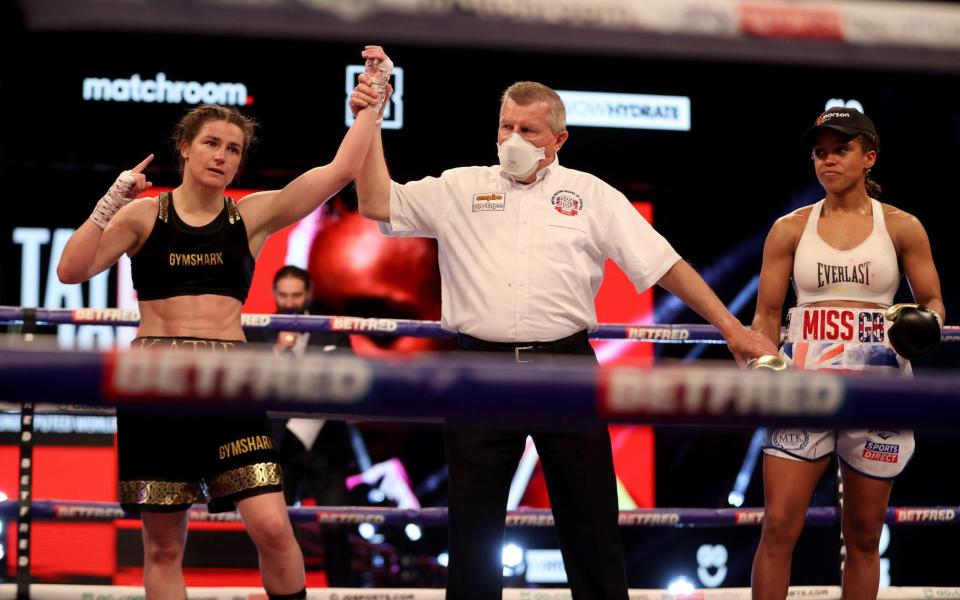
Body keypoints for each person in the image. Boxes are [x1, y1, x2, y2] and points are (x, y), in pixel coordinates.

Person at [350, 72, 778, 600]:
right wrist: (369, 117)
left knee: (592, 527)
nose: (512, 139)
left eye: (529, 130)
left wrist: (732, 330)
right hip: (479, 372)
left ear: (558, 140)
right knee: (474, 533)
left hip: (566, 369)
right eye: (505, 126)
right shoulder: (460, 187)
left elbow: (667, 265)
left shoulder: (591, 195)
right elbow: (374, 202)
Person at [57, 45, 393, 600]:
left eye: (233, 149)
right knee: (164, 547)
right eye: (211, 143)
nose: (221, 155)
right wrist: (110, 201)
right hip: (156, 385)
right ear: (185, 148)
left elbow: (338, 172)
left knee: (273, 528)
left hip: (229, 383)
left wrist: (372, 102)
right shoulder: (144, 215)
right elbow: (72, 271)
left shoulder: (252, 215)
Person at [750, 107, 944, 600]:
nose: (828, 160)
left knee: (862, 535)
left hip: (878, 395)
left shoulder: (902, 227)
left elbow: (933, 303)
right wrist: (760, 371)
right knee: (777, 527)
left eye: (841, 150)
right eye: (820, 152)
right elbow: (767, 316)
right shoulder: (789, 230)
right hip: (804, 389)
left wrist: (929, 326)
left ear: (869, 157)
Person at [248, 265, 356, 586]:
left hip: (326, 443)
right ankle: (289, 591)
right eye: (284, 295)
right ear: (274, 294)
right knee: (279, 529)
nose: (290, 302)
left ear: (307, 294)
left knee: (337, 527)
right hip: (281, 445)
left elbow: (351, 374)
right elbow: (249, 382)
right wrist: (278, 352)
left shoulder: (331, 328)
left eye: (296, 295)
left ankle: (342, 593)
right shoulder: (258, 331)